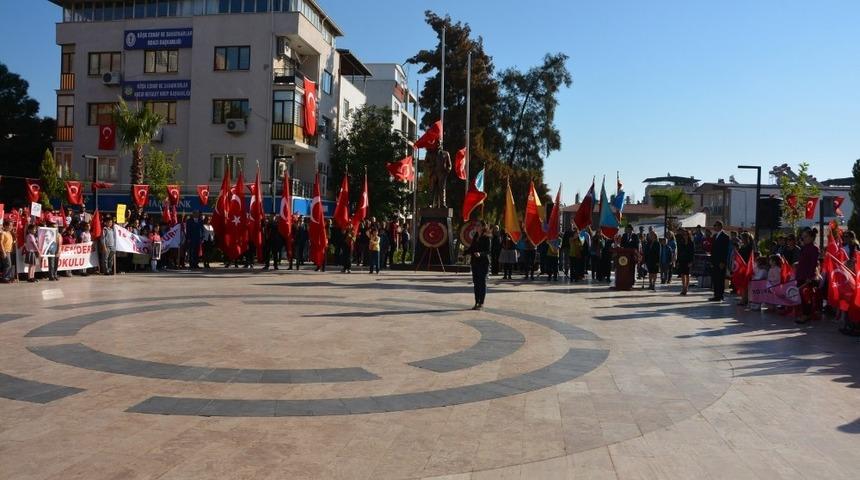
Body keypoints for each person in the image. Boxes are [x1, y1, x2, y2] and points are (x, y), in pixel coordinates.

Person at [795, 228, 820, 323]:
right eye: (803, 237)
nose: (803, 238)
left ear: (812, 237)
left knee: (806, 297)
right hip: (800, 275)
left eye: (805, 237)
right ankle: (805, 313)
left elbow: (813, 264)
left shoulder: (814, 248)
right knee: (802, 296)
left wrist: (809, 277)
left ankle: (806, 315)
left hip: (807, 277)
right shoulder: (804, 247)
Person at [465, 221, 491, 310]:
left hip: (483, 263)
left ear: (483, 227)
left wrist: (481, 254)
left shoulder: (487, 237)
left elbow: (488, 251)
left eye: (478, 225)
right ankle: (476, 302)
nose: (476, 226)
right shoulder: (475, 236)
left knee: (482, 283)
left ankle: (481, 303)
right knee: (476, 283)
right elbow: (472, 248)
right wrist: (466, 252)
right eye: (476, 225)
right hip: (475, 262)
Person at [708, 221, 730, 301]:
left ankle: (720, 295)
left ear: (720, 226)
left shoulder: (725, 236)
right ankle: (716, 295)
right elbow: (713, 250)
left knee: (720, 279)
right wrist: (711, 261)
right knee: (715, 278)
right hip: (715, 261)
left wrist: (723, 262)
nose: (714, 227)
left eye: (715, 225)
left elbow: (725, 250)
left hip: (721, 262)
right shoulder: (715, 236)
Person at [676, 229, 694, 295]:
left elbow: (692, 253)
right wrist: (677, 260)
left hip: (688, 260)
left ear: (688, 235)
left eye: (686, 235)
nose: (685, 236)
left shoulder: (691, 243)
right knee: (682, 274)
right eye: (684, 235)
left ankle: (686, 288)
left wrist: (691, 261)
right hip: (682, 260)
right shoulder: (681, 242)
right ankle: (683, 287)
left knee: (687, 274)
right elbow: (679, 252)